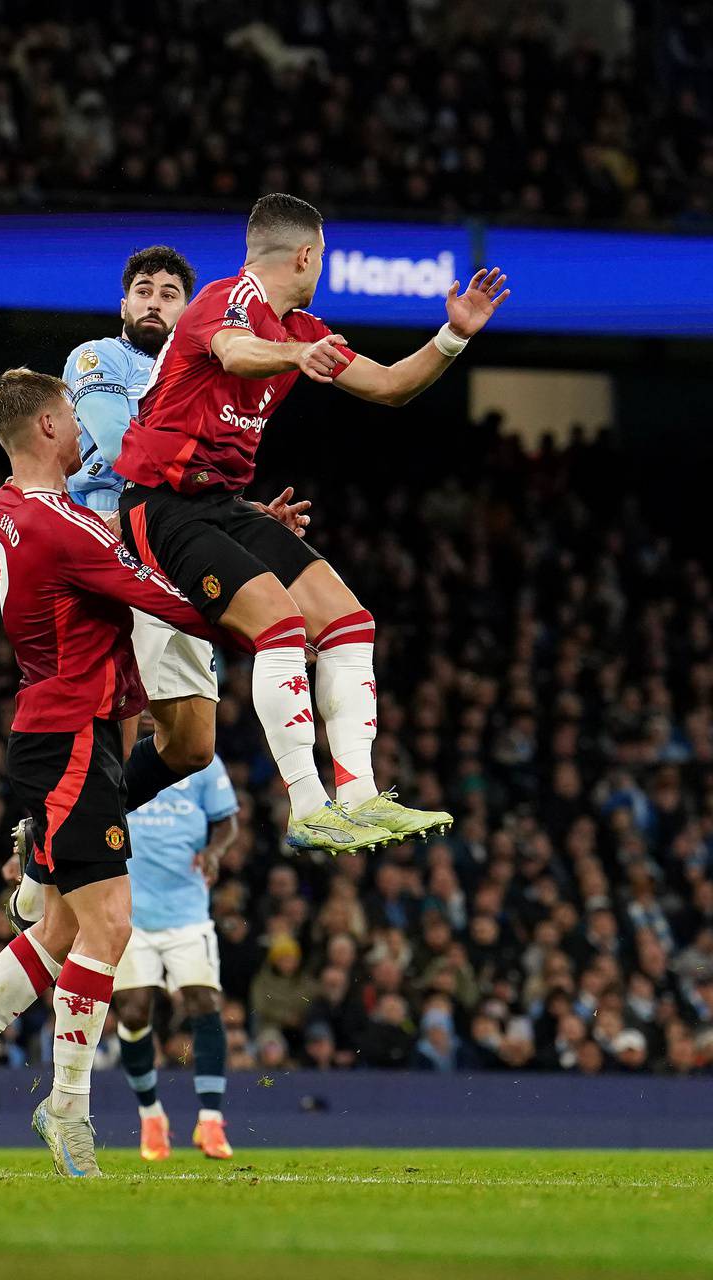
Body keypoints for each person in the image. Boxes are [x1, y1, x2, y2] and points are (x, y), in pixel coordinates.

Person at [115, 193, 510, 853]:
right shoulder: (225, 300)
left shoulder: (304, 329)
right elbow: (235, 352)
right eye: (320, 257)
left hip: (224, 506)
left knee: (349, 619)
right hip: (159, 504)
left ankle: (357, 796)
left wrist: (453, 336)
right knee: (280, 625)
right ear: (305, 255)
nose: (320, 268)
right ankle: (306, 806)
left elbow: (388, 386)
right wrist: (295, 359)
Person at [0, 368, 225, 1179]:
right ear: (51, 424)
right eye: (75, 414)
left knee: (56, 928)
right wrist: (257, 594)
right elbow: (175, 602)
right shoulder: (65, 528)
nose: (88, 426)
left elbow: (119, 554)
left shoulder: (9, 508)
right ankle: (68, 1108)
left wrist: (241, 522)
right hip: (75, 739)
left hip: (50, 730)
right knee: (110, 928)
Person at [9, 244, 309, 930]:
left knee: (192, 747)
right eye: (143, 289)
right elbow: (121, 450)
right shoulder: (98, 359)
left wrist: (246, 519)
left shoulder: (206, 372)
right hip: (106, 546)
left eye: (170, 292)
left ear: (189, 308)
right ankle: (49, 854)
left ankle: (43, 843)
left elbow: (216, 474)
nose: (154, 300)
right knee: (115, 727)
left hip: (170, 542)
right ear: (124, 304)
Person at [110, 749, 240, 1161]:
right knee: (132, 1012)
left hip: (187, 912)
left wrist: (215, 851)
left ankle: (211, 1121)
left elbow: (227, 822)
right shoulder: (115, 756)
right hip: (130, 911)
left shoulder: (200, 758)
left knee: (204, 1001)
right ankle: (151, 1117)